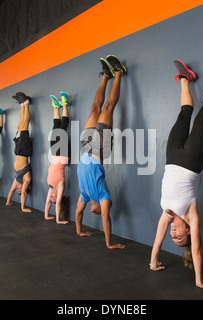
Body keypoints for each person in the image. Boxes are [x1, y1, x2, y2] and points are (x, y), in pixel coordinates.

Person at [150, 44, 203, 290]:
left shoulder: (166, 213)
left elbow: (157, 241)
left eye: (174, 237)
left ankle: (185, 78)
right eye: (179, 236)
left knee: (184, 114)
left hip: (171, 158)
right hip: (192, 162)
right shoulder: (192, 215)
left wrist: (153, 263)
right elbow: (196, 250)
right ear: (189, 231)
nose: (174, 234)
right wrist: (199, 280)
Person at [75, 55, 127, 250]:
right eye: (94, 212)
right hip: (99, 150)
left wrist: (79, 230)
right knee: (108, 107)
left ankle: (105, 76)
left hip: (85, 147)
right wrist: (108, 243)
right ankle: (119, 72)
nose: (91, 210)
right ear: (99, 209)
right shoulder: (104, 198)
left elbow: (78, 213)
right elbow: (106, 220)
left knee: (94, 108)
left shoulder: (85, 195)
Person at [44, 92, 71, 224]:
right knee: (63, 129)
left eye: (52, 198)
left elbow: (47, 204)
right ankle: (65, 105)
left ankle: (56, 107)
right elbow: (58, 204)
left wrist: (46, 216)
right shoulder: (60, 188)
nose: (53, 197)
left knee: (55, 130)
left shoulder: (50, 188)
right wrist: (58, 220)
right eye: (55, 198)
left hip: (54, 155)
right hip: (63, 155)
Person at [6, 92, 33, 213]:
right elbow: (24, 195)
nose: (17, 188)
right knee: (24, 126)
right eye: (20, 189)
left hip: (18, 150)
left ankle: (21, 105)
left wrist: (8, 202)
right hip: (24, 150)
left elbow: (11, 191)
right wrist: (22, 207)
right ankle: (26, 103)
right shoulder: (26, 179)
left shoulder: (17, 180)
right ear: (24, 189)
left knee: (19, 127)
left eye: (17, 189)